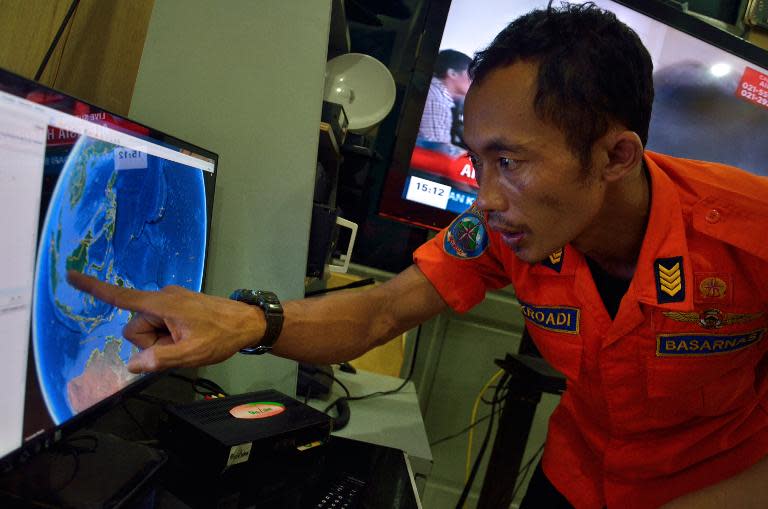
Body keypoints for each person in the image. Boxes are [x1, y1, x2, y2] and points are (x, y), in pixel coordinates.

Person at [67, 3, 768, 508]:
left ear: (616, 156)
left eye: (511, 161)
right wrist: (250, 321)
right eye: (476, 162)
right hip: (577, 480)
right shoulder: (504, 227)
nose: (486, 199)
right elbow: (386, 307)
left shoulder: (749, 230)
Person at [417, 49, 472, 144]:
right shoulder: (436, 99)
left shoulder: (437, 94)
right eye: (470, 75)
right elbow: (435, 149)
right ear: (452, 73)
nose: (473, 81)